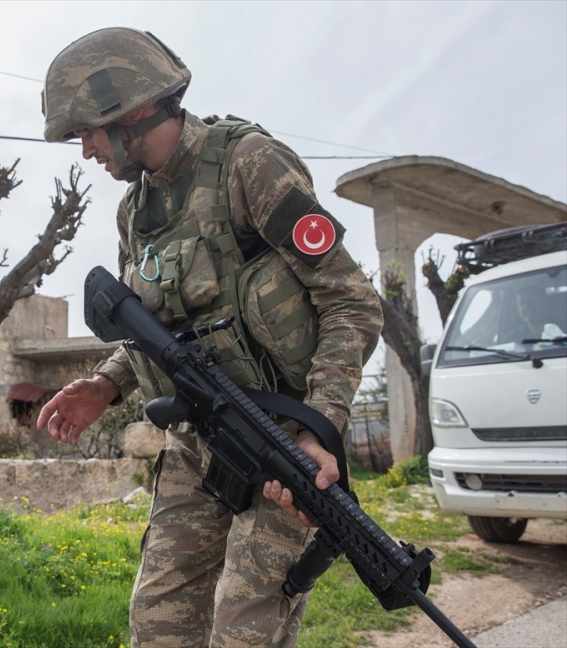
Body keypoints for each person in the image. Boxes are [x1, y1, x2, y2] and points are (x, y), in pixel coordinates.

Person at [38, 28, 383, 647]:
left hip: (284, 442)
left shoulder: (249, 164)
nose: (86, 149)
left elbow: (351, 301)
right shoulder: (133, 211)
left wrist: (320, 427)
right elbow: (160, 329)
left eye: (86, 129)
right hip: (198, 442)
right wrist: (106, 383)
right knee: (158, 622)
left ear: (133, 108)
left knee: (244, 629)